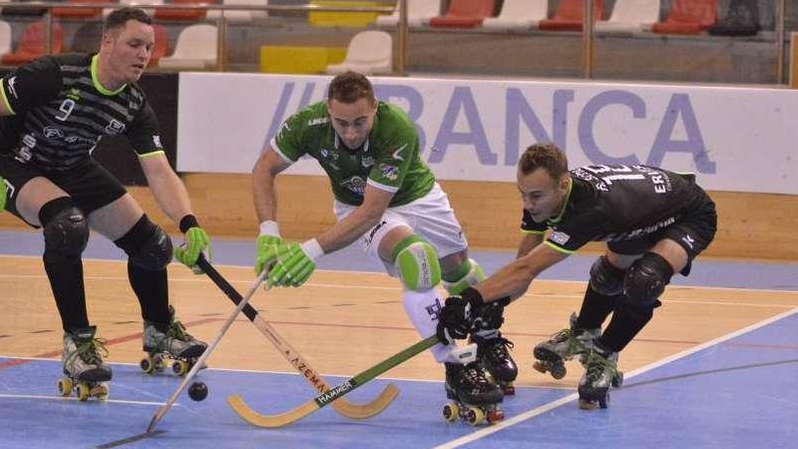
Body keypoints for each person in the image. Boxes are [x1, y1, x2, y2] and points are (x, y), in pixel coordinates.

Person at [0, 8, 210, 398]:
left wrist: (189, 223)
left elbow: (160, 171)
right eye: (134, 44)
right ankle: (78, 345)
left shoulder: (133, 104)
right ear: (107, 42)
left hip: (71, 165)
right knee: (67, 226)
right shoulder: (55, 74)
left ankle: (160, 329)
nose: (143, 54)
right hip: (16, 162)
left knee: (153, 246)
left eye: (149, 47)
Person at [251, 71, 516, 416]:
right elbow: (263, 169)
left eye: (359, 122)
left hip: (417, 198)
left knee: (459, 271)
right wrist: (268, 232)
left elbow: (373, 210)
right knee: (417, 261)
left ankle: (487, 337)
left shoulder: (397, 128)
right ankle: (455, 363)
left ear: (374, 108)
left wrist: (309, 250)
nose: (350, 133)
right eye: (341, 123)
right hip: (357, 206)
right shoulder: (308, 124)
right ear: (328, 112)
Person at [436, 142, 717, 408]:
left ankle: (605, 354)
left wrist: (469, 299)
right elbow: (522, 265)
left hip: (688, 215)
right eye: (522, 193)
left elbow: (528, 269)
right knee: (609, 277)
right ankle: (582, 333)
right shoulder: (544, 196)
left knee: (644, 282)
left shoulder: (588, 210)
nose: (528, 203)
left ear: (563, 185)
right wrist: (496, 300)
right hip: (638, 215)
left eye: (535, 196)